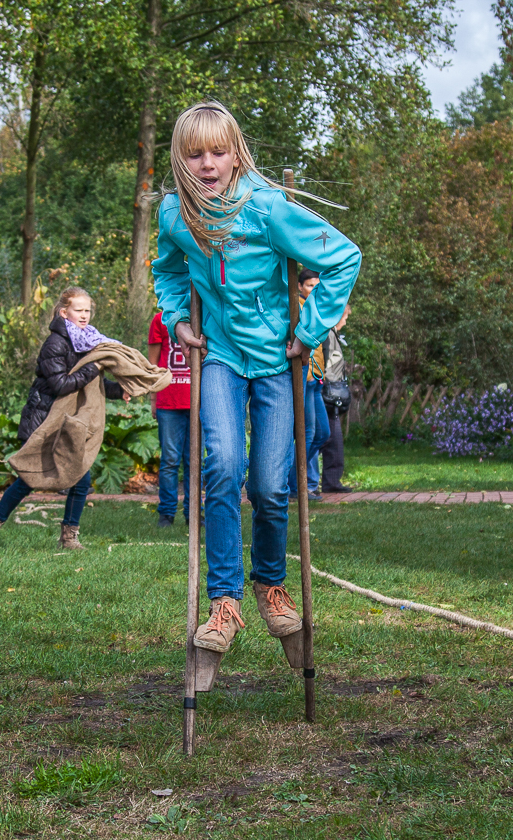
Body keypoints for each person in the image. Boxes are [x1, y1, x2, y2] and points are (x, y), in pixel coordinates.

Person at [152, 101, 360, 656]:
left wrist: (310, 330)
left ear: (236, 153)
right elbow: (168, 272)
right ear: (181, 158)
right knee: (220, 466)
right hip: (218, 356)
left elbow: (344, 257)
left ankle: (270, 584)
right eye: (194, 154)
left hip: (274, 361)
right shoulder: (175, 214)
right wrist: (177, 319)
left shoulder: (267, 208)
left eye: (218, 151)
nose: (207, 163)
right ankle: (225, 600)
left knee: (271, 485)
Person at [0, 287, 126, 552]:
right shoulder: (55, 343)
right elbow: (61, 385)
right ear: (64, 312)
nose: (84, 315)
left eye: (88, 310)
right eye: (79, 310)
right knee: (29, 479)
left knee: (82, 480)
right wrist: (94, 367)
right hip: (46, 422)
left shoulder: (89, 340)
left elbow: (92, 384)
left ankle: (69, 537)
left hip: (72, 424)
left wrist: (118, 390)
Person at [287, 269, 330, 500]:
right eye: (311, 285)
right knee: (308, 433)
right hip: (304, 378)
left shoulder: (316, 308)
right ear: (300, 287)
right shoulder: (298, 307)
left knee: (322, 433)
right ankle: (294, 486)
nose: (315, 289)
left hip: (316, 380)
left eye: (318, 285)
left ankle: (292, 479)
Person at [147, 312, 191, 527]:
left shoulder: (204, 315)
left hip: (198, 402)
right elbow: (152, 366)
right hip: (169, 400)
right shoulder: (160, 320)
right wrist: (153, 398)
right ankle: (166, 513)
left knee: (194, 462)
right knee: (170, 460)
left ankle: (194, 513)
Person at [320, 304, 353, 493]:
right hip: (327, 391)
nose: (345, 322)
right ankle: (326, 482)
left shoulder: (333, 334)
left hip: (331, 392)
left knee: (333, 438)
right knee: (325, 436)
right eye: (345, 317)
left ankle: (332, 482)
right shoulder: (327, 334)